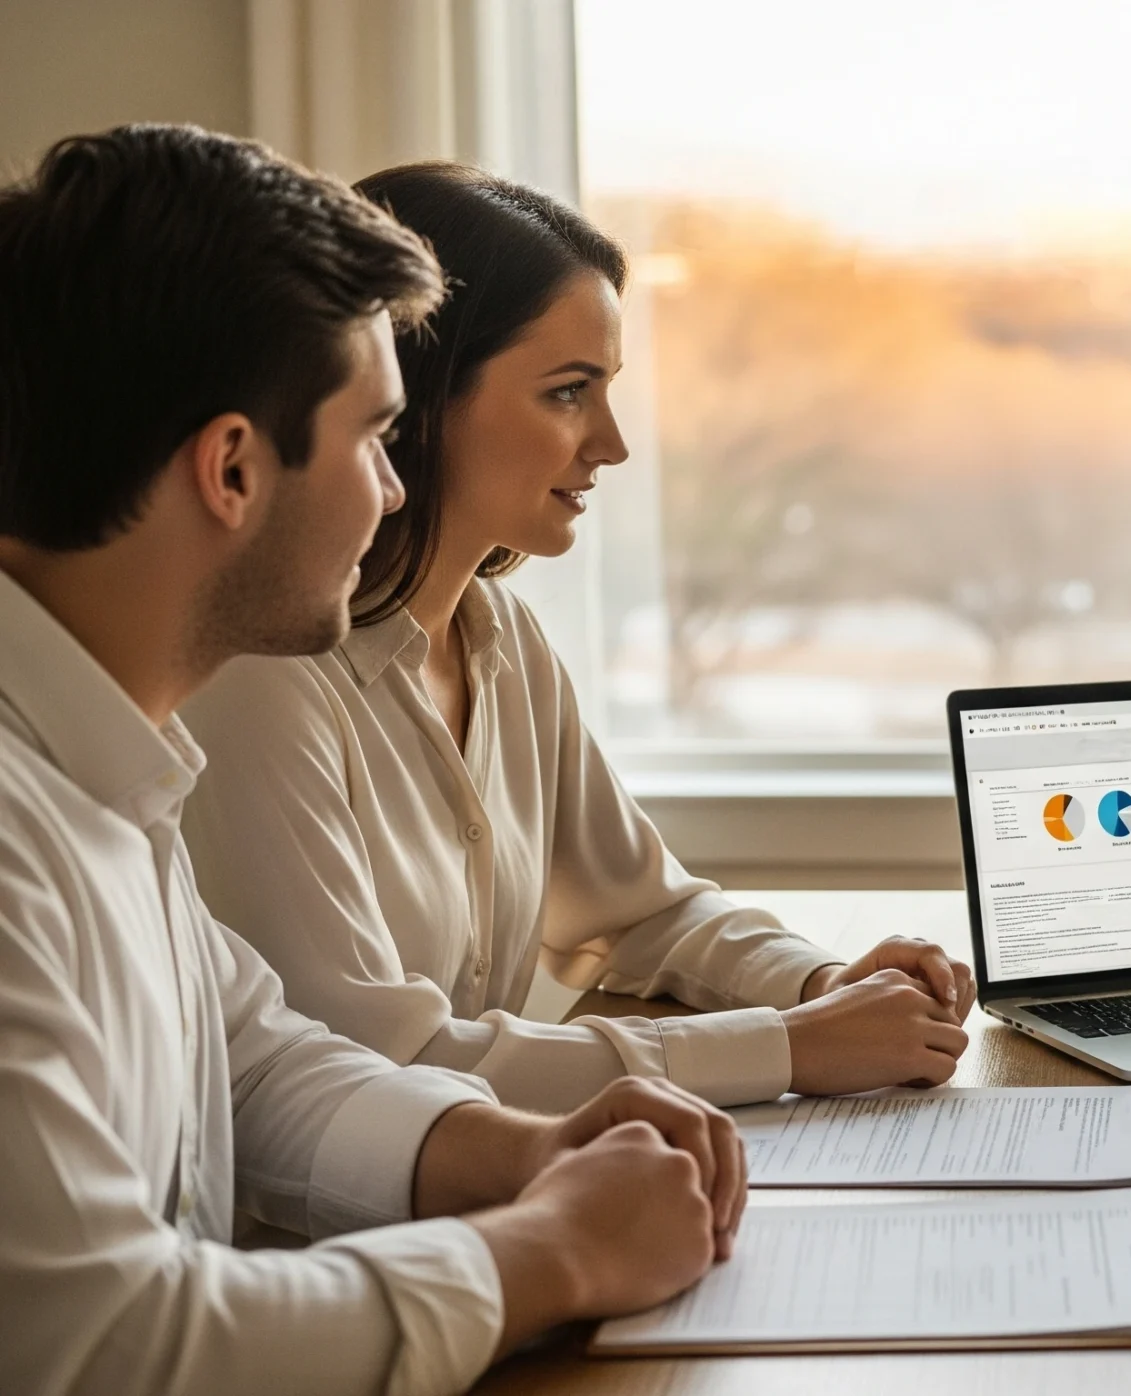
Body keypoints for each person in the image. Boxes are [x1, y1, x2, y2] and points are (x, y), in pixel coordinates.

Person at [0, 124, 754, 1395]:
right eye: (370, 440)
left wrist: (522, 1149)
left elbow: (253, 1058)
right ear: (233, 468)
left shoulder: (105, 768)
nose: (394, 496)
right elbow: (103, 1339)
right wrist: (546, 1252)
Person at [179, 162, 974, 1115]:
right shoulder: (266, 675)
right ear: (416, 401)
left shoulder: (498, 635)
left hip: (490, 1192)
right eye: (566, 392)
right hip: (330, 1236)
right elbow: (378, 1059)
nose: (611, 441)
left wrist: (820, 985)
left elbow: (640, 911)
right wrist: (789, 1048)